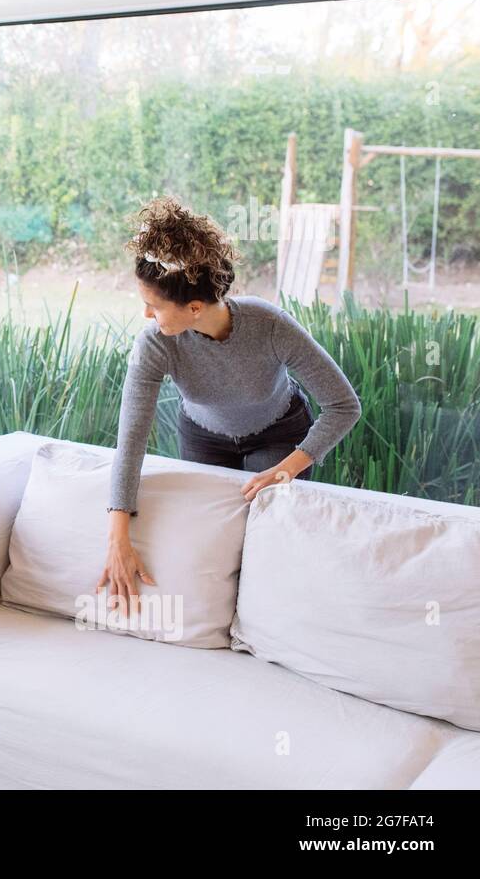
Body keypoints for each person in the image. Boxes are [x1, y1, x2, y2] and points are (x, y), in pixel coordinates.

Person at [100, 196, 361, 611]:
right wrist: (117, 536)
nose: (148, 315)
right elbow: (131, 438)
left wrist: (290, 467)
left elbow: (344, 405)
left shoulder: (269, 325)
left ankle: (272, 618)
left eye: (154, 305)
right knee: (210, 540)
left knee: (266, 535)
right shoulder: (154, 343)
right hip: (204, 439)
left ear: (195, 307)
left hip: (278, 434)